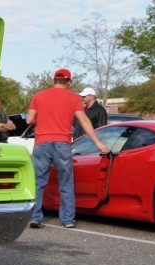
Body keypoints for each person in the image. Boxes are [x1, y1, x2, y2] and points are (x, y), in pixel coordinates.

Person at [26, 69, 109, 229]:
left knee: (38, 182)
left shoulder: (39, 95)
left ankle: (35, 217)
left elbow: (29, 119)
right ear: (69, 82)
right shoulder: (73, 98)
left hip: (42, 143)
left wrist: (42, 119)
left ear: (53, 80)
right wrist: (98, 142)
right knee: (66, 182)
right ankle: (68, 220)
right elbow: (83, 120)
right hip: (62, 144)